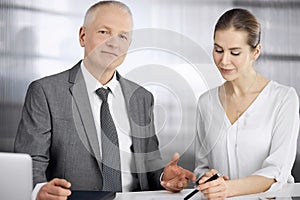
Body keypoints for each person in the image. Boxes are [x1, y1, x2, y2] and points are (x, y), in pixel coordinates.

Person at [14, 1, 195, 200]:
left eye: (123, 36)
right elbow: (32, 163)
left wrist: (163, 176)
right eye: (104, 32)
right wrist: (38, 190)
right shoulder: (46, 92)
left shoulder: (142, 97)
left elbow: (148, 164)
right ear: (83, 36)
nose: (113, 43)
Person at [192, 8, 300, 199]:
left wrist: (229, 188)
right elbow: (202, 167)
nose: (224, 61)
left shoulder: (283, 99)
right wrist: (209, 180)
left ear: (256, 51)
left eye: (235, 52)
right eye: (218, 50)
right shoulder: (206, 103)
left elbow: (277, 171)